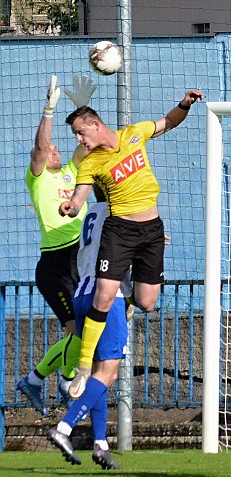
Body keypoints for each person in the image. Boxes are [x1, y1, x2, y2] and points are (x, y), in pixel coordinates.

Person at [58, 88, 204, 399]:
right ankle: (84, 366)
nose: (79, 140)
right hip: (119, 231)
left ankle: (128, 304)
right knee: (104, 295)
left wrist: (184, 105)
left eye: (80, 132)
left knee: (148, 302)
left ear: (96, 125)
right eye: (76, 135)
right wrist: (70, 206)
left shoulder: (134, 134)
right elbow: (80, 197)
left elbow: (167, 122)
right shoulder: (90, 163)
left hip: (152, 229)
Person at [18, 75, 97, 414]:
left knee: (82, 330)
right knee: (77, 330)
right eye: (49, 148)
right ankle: (59, 381)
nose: (54, 149)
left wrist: (81, 110)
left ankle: (37, 380)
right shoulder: (39, 178)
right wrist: (49, 110)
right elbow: (39, 147)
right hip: (54, 263)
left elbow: (89, 143)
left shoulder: (70, 172)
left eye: (56, 147)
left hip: (79, 257)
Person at [47, 186, 129, 470]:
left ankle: (100, 443)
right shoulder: (120, 215)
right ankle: (65, 427)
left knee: (97, 372)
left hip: (82, 293)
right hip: (106, 296)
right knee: (108, 371)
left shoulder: (91, 213)